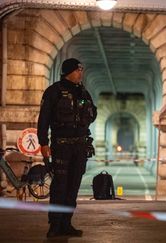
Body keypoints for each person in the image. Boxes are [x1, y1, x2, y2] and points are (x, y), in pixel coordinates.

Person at [37, 58, 97, 238]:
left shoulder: (84, 93)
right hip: (61, 145)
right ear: (69, 71)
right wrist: (43, 143)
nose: (81, 73)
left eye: (82, 70)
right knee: (59, 187)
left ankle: (66, 223)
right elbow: (44, 119)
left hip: (80, 145)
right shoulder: (53, 92)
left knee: (73, 187)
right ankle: (54, 225)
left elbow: (92, 114)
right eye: (78, 70)